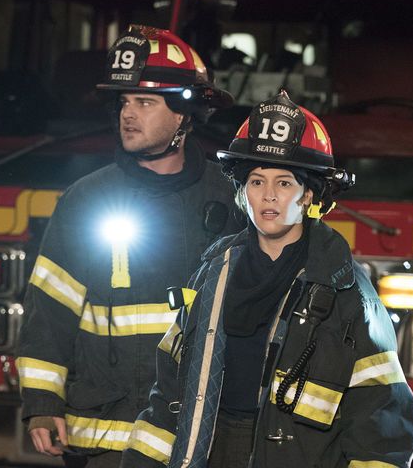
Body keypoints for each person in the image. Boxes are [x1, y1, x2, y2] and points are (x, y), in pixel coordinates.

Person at [120, 91, 413, 468]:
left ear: (308, 193)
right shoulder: (213, 274)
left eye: (284, 183)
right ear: (244, 193)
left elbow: (381, 424)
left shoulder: (346, 292)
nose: (269, 197)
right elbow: (168, 398)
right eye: (257, 182)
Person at [16, 25, 246, 467]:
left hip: (202, 435)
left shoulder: (231, 200)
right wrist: (42, 401)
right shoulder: (88, 199)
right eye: (124, 102)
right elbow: (50, 306)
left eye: (144, 102)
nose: (128, 114)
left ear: (183, 113)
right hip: (108, 435)